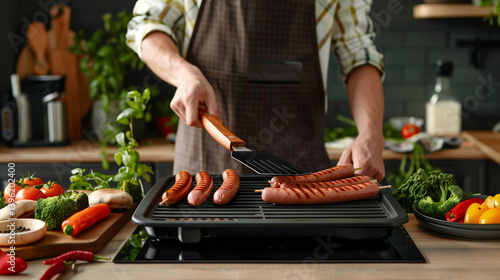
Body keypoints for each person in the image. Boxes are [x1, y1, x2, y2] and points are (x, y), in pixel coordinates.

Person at [126, 0, 386, 181]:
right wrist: (185, 74)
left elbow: (358, 53)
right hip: (203, 158)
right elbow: (146, 25)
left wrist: (372, 133)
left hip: (302, 169)